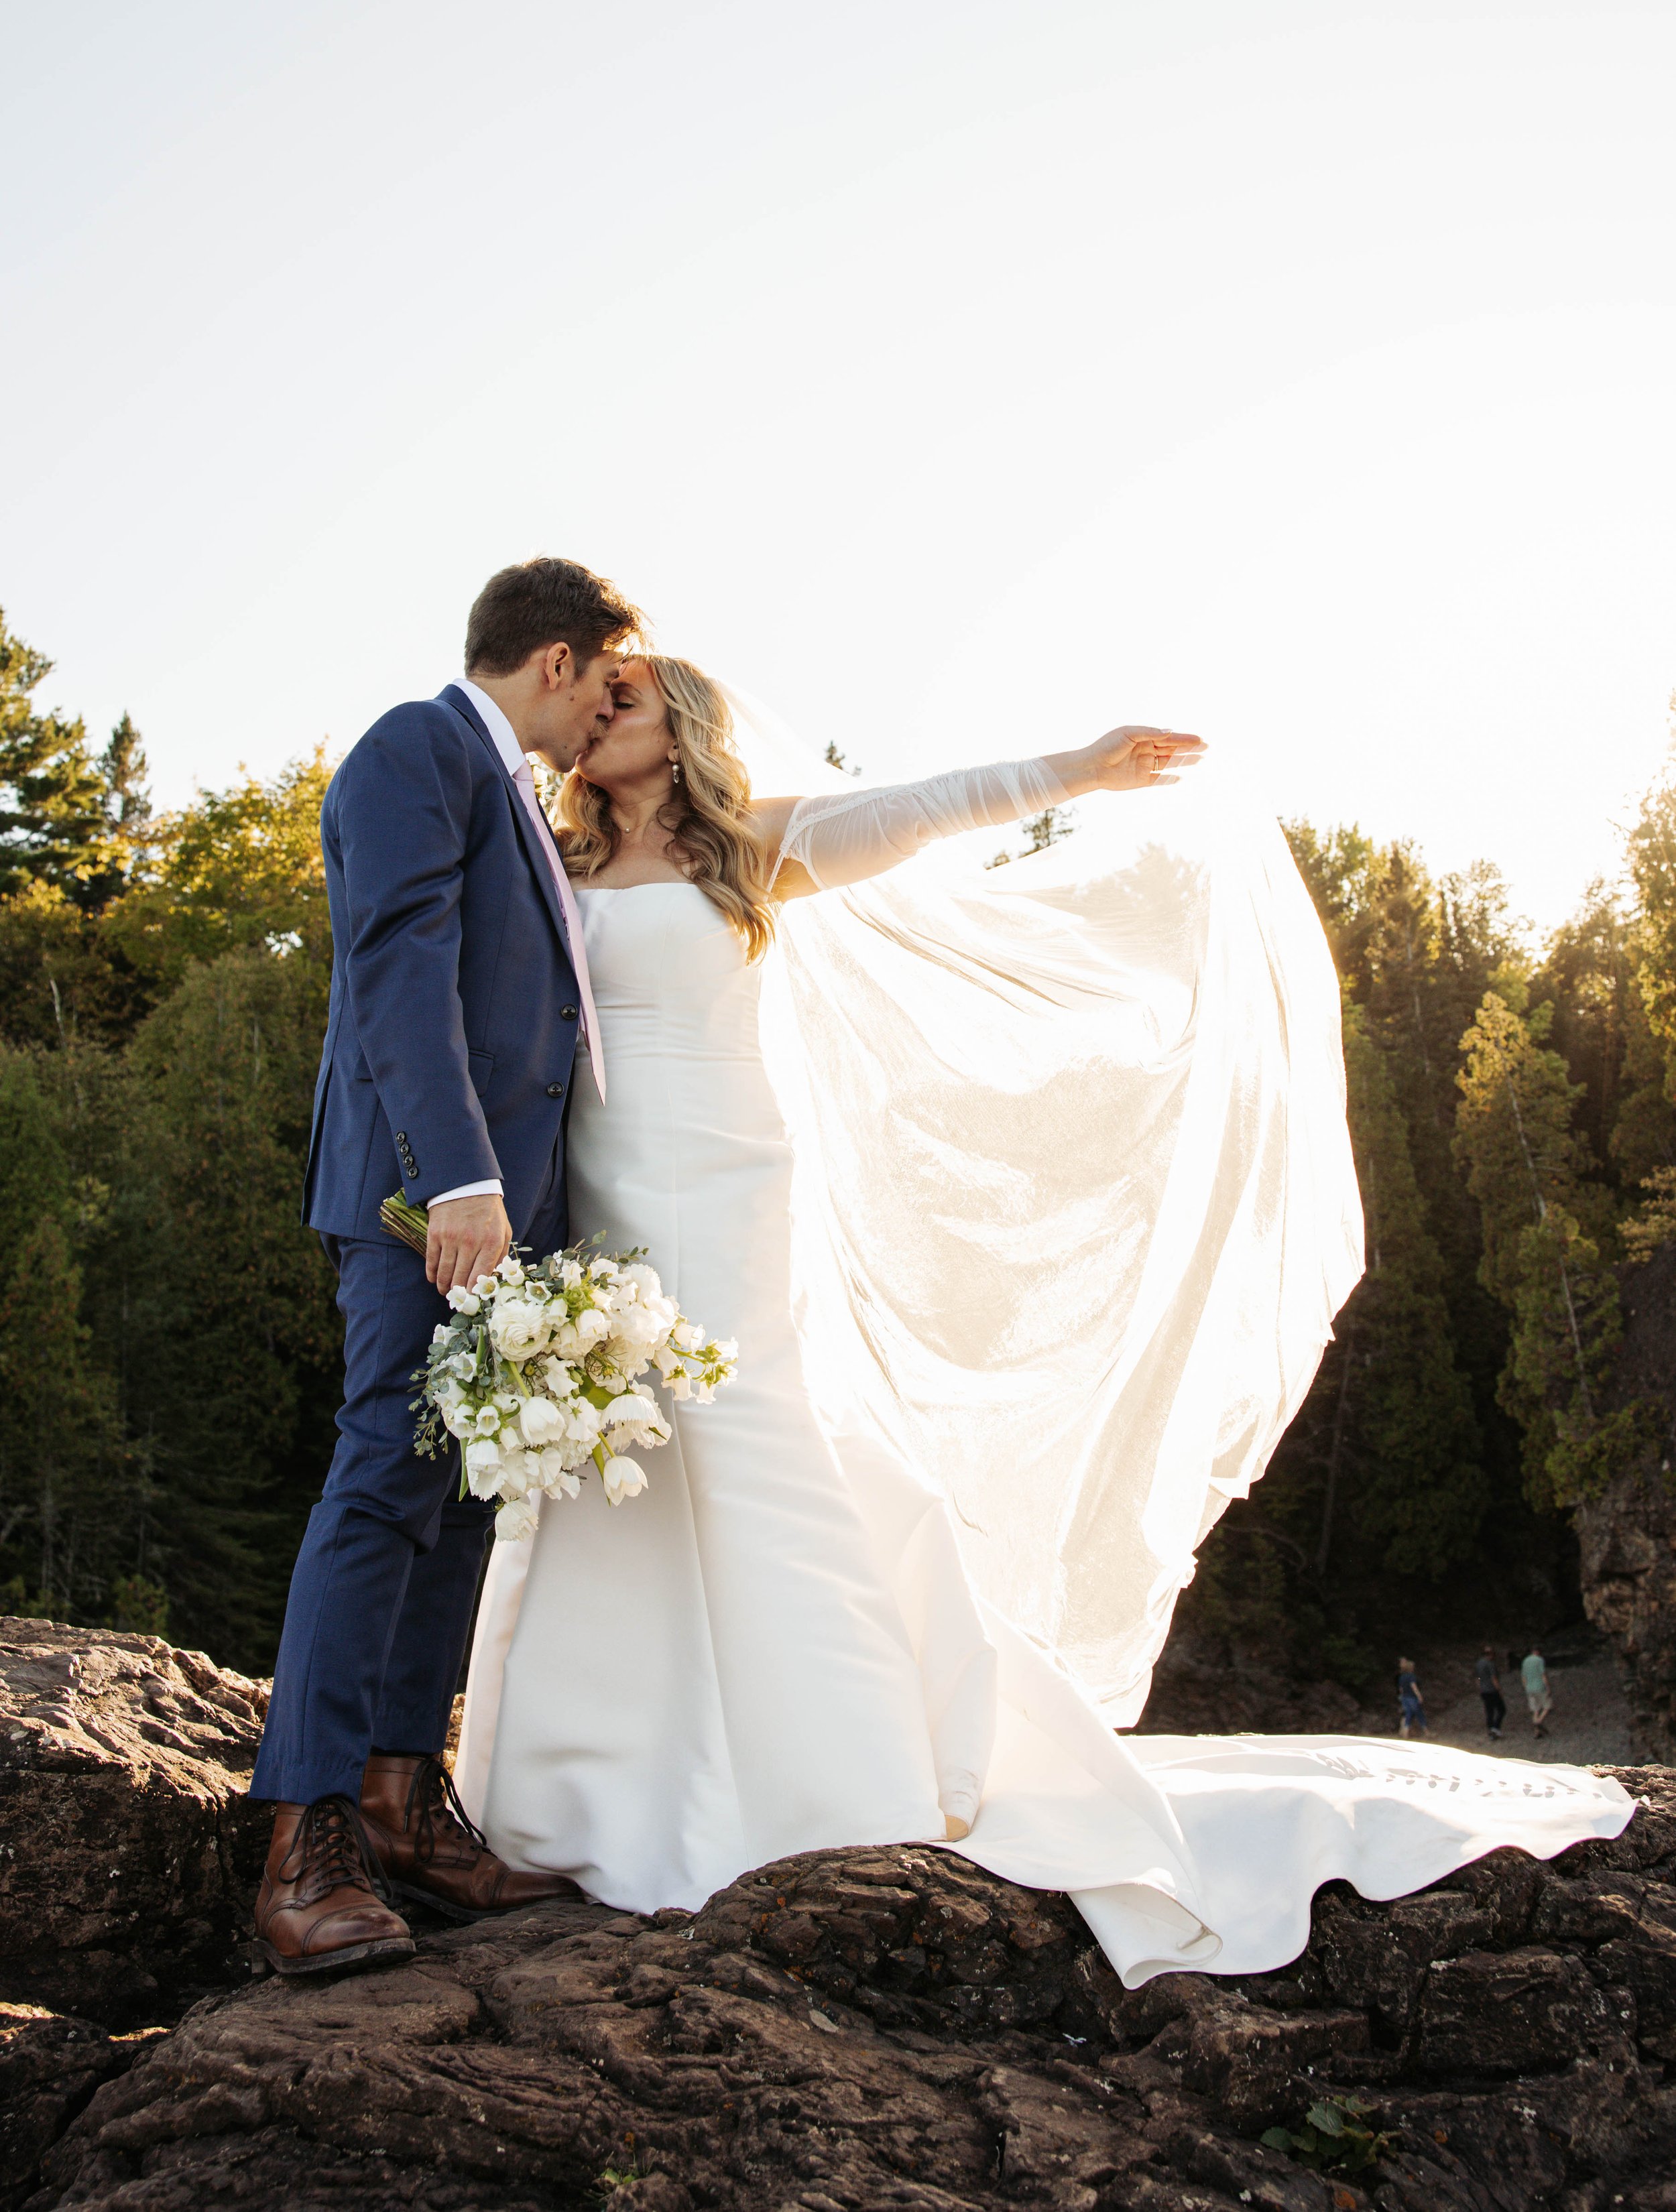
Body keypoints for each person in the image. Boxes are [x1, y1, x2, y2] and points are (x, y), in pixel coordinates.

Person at [456, 655, 1634, 1990]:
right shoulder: (541, 850)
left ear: (681, 728)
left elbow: (919, 809)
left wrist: (1076, 767)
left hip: (732, 1193)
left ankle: (832, 1784)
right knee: (621, 1469)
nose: (600, 713)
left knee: (760, 1455)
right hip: (598, 1199)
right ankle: (585, 1792)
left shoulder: (751, 845)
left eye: (629, 697)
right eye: (590, 698)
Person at [247, 558, 640, 1975]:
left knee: (460, 1497)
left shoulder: (511, 790)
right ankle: (304, 1843)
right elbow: (398, 962)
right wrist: (458, 1178)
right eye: (607, 681)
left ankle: (404, 1804)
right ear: (554, 662)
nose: (609, 710)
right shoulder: (415, 747)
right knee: (378, 1482)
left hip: (499, 1217)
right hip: (429, 1202)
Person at [1522, 1646, 1554, 1739]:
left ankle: (1537, 1733)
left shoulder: (1525, 1661)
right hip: (1540, 1687)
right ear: (1538, 1652)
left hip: (1529, 1688)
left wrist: (1526, 1687)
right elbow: (1543, 1675)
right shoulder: (1539, 1660)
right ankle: (1539, 1722)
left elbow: (1524, 1677)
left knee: (1536, 1710)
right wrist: (1548, 1687)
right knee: (1548, 1706)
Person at [1475, 1646, 1506, 1739]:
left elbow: (1478, 1678)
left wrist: (1480, 1687)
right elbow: (1494, 1678)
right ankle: (1496, 1728)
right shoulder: (1490, 1664)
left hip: (1484, 1691)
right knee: (1502, 1710)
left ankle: (1490, 1729)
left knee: (1489, 1711)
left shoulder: (1479, 1664)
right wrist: (1499, 1689)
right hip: (1492, 1691)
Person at [1396, 1657, 1427, 1738]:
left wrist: (1402, 1697)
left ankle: (1405, 1732)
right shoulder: (1411, 1677)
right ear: (1411, 1668)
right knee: (1419, 1713)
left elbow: (1401, 1689)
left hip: (1404, 1698)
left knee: (1408, 1714)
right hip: (1412, 1698)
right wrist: (1419, 1696)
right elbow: (1414, 1687)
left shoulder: (1401, 1677)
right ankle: (1426, 1732)